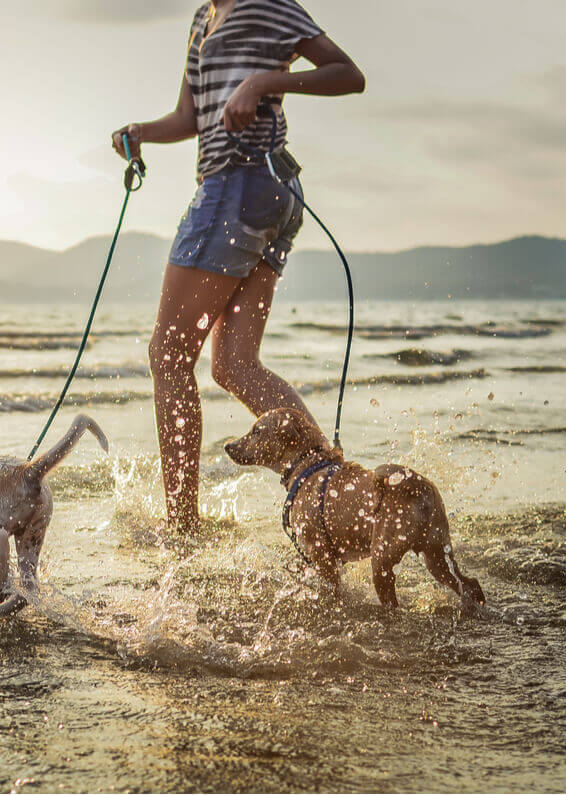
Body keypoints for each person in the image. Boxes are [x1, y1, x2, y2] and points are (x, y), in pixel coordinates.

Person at [111, 0, 365, 534]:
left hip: (239, 184)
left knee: (169, 353)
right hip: (261, 193)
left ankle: (182, 525)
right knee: (234, 366)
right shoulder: (203, 18)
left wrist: (263, 83)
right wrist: (140, 132)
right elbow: (189, 117)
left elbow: (348, 74)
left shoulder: (267, 5)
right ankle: (331, 488)